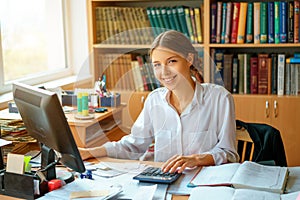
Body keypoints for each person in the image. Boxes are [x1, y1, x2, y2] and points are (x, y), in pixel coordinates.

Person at [79, 30, 239, 173]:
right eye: (157, 65)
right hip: (163, 184)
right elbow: (133, 145)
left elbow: (229, 153)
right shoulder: (154, 100)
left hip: (204, 185)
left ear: (189, 59)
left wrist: (196, 159)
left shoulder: (219, 98)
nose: (164, 72)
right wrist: (90, 152)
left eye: (171, 62)